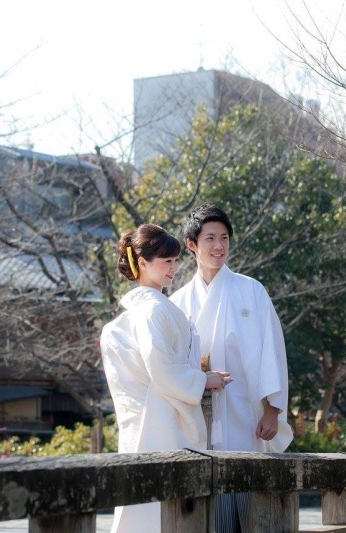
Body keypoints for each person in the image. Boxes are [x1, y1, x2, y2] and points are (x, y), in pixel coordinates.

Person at [100, 223, 233, 533]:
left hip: (142, 422)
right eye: (166, 260)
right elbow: (162, 370)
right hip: (162, 422)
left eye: (175, 260)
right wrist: (203, 380)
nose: (174, 267)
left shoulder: (137, 314)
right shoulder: (153, 311)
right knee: (166, 510)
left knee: (145, 509)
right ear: (142, 263)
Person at [170, 204, 292, 532]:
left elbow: (272, 352)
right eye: (210, 238)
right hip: (197, 411)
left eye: (224, 238)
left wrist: (272, 410)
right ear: (192, 244)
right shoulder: (179, 301)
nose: (218, 245)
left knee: (246, 495)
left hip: (245, 412)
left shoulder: (251, 291)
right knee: (202, 501)